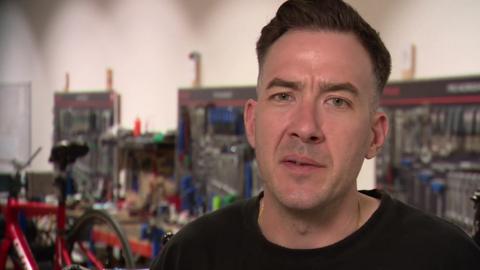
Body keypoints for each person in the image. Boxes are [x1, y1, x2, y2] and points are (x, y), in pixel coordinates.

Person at [151, 0, 480, 269]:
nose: (305, 127)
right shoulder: (190, 257)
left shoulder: (446, 258)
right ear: (251, 122)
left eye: (337, 101)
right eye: (283, 96)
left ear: (375, 135)